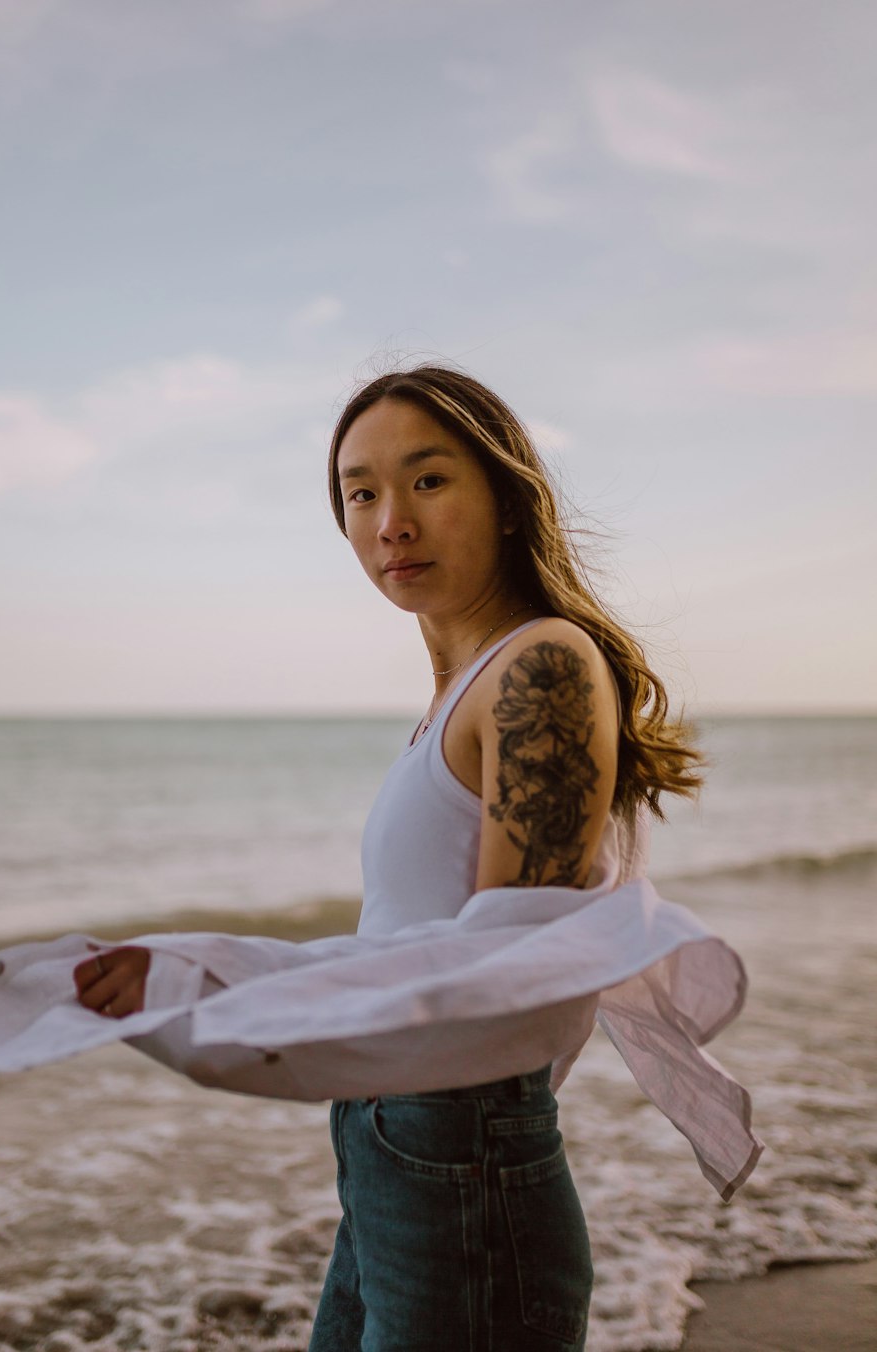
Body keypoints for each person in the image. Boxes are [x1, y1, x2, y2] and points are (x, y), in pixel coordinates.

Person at [71, 364, 708, 1351]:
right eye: (360, 492)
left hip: (460, 1144)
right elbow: (420, 941)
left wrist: (221, 977)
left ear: (505, 496)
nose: (390, 521)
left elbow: (499, 974)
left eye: (427, 479)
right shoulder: (456, 697)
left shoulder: (540, 663)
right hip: (404, 1138)